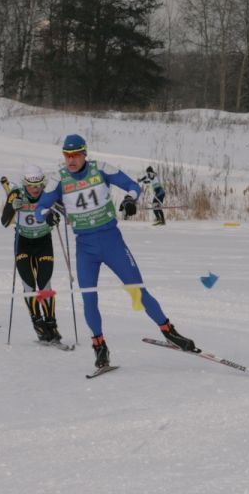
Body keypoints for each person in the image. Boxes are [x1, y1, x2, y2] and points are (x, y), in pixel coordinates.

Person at [34, 134, 196, 371]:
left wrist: (130, 200)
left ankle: (169, 332)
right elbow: (40, 208)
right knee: (89, 298)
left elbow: (133, 185)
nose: (71, 160)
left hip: (111, 241)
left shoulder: (100, 168)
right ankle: (100, 347)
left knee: (137, 289)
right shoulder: (58, 178)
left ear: (84, 153)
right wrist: (46, 215)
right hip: (85, 247)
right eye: (67, 155)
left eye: (76, 154)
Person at [1, 165, 61, 343]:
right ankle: (38, 323)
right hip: (23, 243)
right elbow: (4, 222)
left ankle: (51, 323)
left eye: (39, 185)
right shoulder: (16, 193)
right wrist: (12, 207)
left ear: (43, 184)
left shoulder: (48, 193)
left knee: (45, 283)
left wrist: (54, 216)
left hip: (43, 242)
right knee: (29, 285)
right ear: (24, 184)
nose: (35, 189)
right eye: (31, 186)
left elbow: (61, 214)